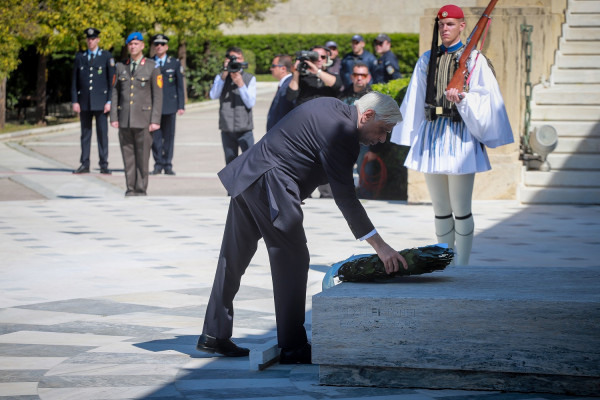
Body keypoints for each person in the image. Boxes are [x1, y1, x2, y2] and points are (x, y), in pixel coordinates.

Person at [196, 92, 408, 364]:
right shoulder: (344, 132)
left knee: (233, 256)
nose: (382, 139)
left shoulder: (329, 105)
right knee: (293, 258)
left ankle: (213, 334)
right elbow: (345, 197)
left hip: (251, 173)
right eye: (383, 130)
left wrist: (289, 191)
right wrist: (381, 247)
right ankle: (293, 346)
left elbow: (291, 142)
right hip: (272, 185)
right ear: (367, 116)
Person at [390, 4, 513, 265]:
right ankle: (445, 261)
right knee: (441, 211)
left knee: (462, 209)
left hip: (460, 138)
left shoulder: (475, 60)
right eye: (441, 25)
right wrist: (406, 135)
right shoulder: (427, 59)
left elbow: (488, 99)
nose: (445, 29)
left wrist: (464, 99)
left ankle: (463, 266)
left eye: (450, 24)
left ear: (461, 26)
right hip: (432, 135)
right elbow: (414, 99)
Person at [110, 32, 163, 197]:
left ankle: (141, 188)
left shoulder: (152, 66)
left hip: (144, 119)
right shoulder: (121, 67)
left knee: (142, 156)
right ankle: (130, 188)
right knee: (128, 156)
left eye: (136, 44)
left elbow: (158, 95)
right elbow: (115, 93)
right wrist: (113, 117)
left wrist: (155, 119)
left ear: (142, 46)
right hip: (125, 119)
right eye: (130, 44)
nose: (133, 46)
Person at [287, 45, 342, 198]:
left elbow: (337, 85)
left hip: (326, 128)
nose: (318, 60)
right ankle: (302, 192)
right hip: (304, 129)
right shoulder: (303, 78)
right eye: (315, 57)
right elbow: (290, 95)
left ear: (328, 59)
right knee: (303, 161)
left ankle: (327, 194)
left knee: (326, 161)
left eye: (322, 57)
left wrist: (317, 71)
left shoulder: (331, 75)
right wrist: (296, 74)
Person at [71, 27, 115, 174]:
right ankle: (85, 163)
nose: (90, 41)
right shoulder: (80, 57)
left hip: (101, 103)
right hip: (84, 102)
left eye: (93, 39)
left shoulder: (106, 56)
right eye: (88, 39)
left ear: (98, 40)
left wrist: (109, 101)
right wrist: (75, 101)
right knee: (85, 134)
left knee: (102, 134)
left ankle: (104, 163)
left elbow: (111, 82)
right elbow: (74, 81)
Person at [209, 47, 256, 165]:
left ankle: (250, 184)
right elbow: (213, 95)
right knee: (230, 164)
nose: (236, 61)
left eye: (239, 58)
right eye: (233, 59)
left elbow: (250, 103)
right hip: (227, 128)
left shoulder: (249, 78)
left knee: (251, 162)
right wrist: (223, 76)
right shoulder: (221, 78)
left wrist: (241, 84)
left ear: (243, 60)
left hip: (245, 129)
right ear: (226, 60)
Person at [150, 34, 185, 176]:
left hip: (170, 105)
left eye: (162, 44)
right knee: (155, 138)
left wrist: (181, 105)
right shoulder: (149, 62)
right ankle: (158, 164)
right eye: (156, 44)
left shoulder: (174, 63)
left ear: (166, 47)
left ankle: (168, 164)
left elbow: (179, 86)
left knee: (169, 138)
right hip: (154, 107)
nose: (159, 46)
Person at [266, 54, 294, 131]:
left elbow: (283, 114)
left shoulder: (288, 86)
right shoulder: (285, 84)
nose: (271, 69)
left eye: (273, 66)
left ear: (283, 69)